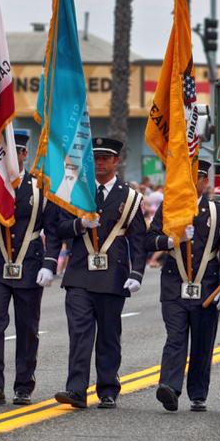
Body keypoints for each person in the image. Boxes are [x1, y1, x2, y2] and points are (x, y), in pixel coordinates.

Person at [52, 137, 147, 410]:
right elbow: (57, 228)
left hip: (113, 276)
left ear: (116, 161)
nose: (101, 162)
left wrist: (137, 272)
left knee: (108, 335)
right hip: (80, 274)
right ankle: (76, 390)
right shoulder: (77, 192)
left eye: (106, 157)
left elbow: (138, 239)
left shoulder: (130, 197)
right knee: (79, 333)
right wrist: (78, 224)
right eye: (96, 158)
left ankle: (107, 388)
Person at [0, 132, 62, 406]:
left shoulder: (41, 186)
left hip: (30, 263)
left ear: (24, 154)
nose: (13, 157)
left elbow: (53, 229)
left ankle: (23, 385)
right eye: (7, 153)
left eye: (18, 152)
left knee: (27, 327)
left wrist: (49, 262)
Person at [147, 160, 220, 413]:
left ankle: (198, 393)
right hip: (174, 284)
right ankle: (169, 387)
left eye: (199, 177)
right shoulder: (169, 208)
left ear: (205, 181)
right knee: (175, 337)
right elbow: (149, 240)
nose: (194, 182)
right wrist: (172, 240)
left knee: (203, 342)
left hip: (207, 286)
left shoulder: (219, 211)